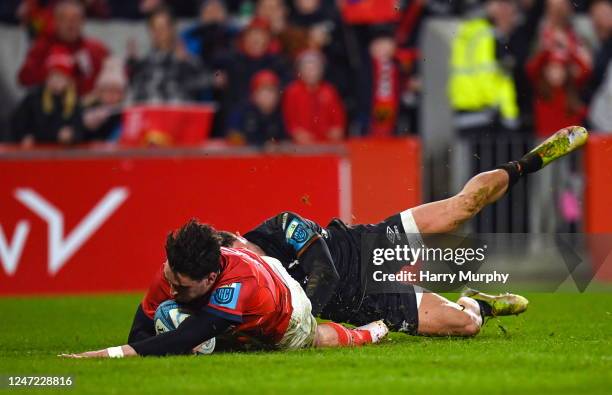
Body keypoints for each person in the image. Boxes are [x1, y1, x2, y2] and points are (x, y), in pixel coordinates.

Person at [219, 126, 587, 336]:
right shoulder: (248, 286)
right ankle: (479, 302)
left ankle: (527, 163)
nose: (246, 262)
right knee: (464, 325)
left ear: (238, 239)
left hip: (371, 244)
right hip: (369, 301)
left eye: (240, 251)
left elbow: (324, 273)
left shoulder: (278, 227)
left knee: (461, 208)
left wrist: (300, 322)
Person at [62, 220, 388, 358]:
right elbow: (140, 334)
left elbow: (187, 336)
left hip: (285, 310)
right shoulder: (174, 272)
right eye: (170, 279)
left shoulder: (237, 283)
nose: (172, 290)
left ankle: (367, 333)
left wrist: (109, 355)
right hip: (242, 298)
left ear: (208, 279)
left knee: (312, 339)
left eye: (182, 287)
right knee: (201, 331)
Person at [18, 0, 109, 96]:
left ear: (83, 22)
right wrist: (51, 72)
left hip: (86, 105)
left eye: (75, 19)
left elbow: (114, 77)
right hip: (49, 104)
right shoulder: (42, 47)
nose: (71, 24)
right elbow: (23, 78)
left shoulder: (96, 49)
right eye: (64, 19)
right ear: (55, 21)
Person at [127, 7, 209, 103]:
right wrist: (131, 66)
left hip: (178, 113)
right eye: (154, 28)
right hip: (150, 114)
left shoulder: (189, 59)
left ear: (172, 28)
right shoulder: (143, 63)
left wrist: (186, 63)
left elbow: (212, 78)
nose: (158, 33)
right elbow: (134, 94)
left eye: (163, 27)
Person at [12, 45, 82, 147]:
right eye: (53, 76)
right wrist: (24, 136)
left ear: (68, 80)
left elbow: (80, 128)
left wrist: (72, 135)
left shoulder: (74, 101)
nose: (56, 81)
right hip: (36, 153)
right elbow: (17, 123)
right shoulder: (34, 98)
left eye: (61, 77)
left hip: (63, 154)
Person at [283, 49, 346, 144]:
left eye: (315, 68)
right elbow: (288, 117)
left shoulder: (329, 90)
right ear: (299, 71)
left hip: (327, 142)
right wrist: (295, 132)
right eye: (307, 69)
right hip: (302, 143)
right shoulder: (292, 91)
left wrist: (337, 128)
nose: (311, 72)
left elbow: (338, 114)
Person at [227, 70, 288, 146]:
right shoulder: (241, 112)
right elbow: (233, 136)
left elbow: (287, 140)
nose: (267, 96)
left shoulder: (283, 112)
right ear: (253, 94)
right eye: (262, 91)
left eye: (271, 91)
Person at [80, 57, 127, 142]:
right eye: (108, 91)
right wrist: (88, 126)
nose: (112, 95)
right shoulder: (89, 109)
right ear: (99, 92)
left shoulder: (125, 114)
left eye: (116, 91)